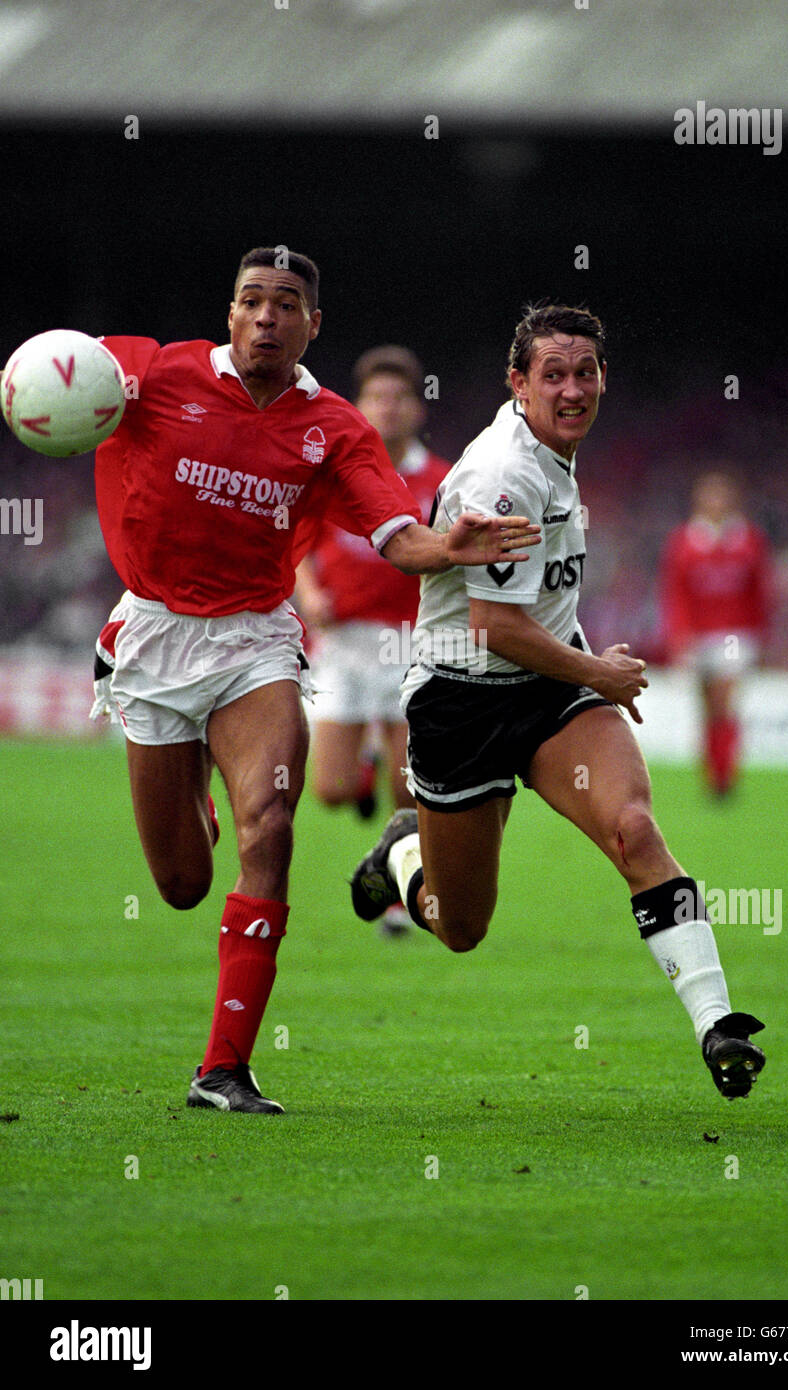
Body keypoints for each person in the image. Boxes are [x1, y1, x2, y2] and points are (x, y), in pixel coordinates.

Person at [87, 246, 540, 1114]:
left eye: (286, 304)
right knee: (183, 883)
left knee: (272, 827)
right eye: (252, 301)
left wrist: (449, 547)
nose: (267, 316)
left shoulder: (331, 428)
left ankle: (224, 1069)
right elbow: (55, 376)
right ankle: (194, 793)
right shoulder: (155, 373)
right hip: (152, 637)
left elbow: (398, 534)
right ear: (229, 314)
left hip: (257, 641)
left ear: (312, 324)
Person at [350, 303, 767, 1101]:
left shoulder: (557, 456)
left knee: (634, 827)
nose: (572, 389)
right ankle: (401, 855)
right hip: (461, 699)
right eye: (553, 375)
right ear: (519, 383)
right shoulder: (502, 473)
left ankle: (715, 1022)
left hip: (548, 694)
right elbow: (494, 626)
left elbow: (535, 612)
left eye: (585, 373)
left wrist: (581, 671)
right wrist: (597, 671)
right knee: (459, 926)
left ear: (602, 378)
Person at [294, 345, 450, 934]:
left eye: (399, 398)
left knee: (409, 790)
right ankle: (361, 767)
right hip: (342, 646)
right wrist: (307, 591)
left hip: (413, 644)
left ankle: (397, 898)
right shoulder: (334, 470)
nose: (387, 408)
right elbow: (299, 542)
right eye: (376, 398)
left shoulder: (441, 479)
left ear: (417, 408)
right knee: (329, 791)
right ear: (358, 407)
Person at [660, 471, 772, 796]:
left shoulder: (749, 539)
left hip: (735, 635)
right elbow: (676, 593)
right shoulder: (684, 541)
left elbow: (761, 592)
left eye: (721, 495)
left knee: (725, 697)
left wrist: (762, 635)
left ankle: (724, 775)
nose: (716, 501)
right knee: (706, 703)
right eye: (710, 495)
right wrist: (679, 636)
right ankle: (712, 766)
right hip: (698, 634)